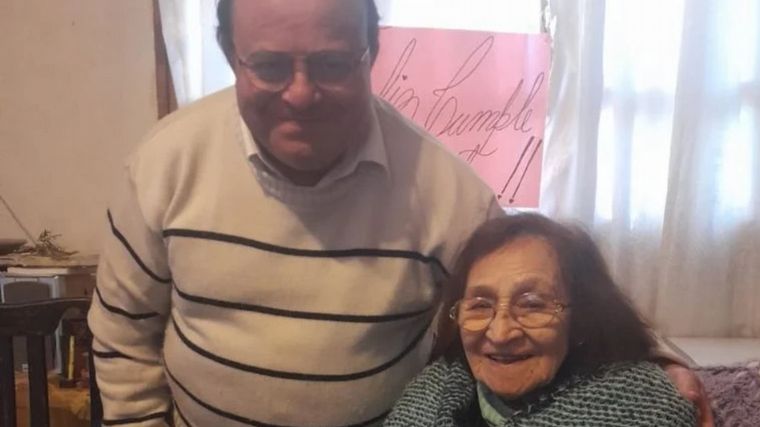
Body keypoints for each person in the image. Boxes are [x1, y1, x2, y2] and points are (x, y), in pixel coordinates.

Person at [88, 1, 710, 426]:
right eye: (270, 66)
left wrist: (661, 361)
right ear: (230, 54)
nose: (300, 94)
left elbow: (551, 291)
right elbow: (123, 338)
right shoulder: (161, 165)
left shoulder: (448, 192)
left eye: (333, 63)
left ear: (371, 51)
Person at [383, 213, 698, 427]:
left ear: (581, 320)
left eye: (531, 305)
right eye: (480, 305)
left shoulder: (649, 410)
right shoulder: (426, 401)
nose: (500, 333)